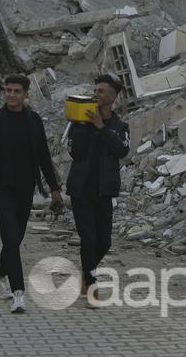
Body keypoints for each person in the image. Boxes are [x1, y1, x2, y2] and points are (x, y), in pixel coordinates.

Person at [0, 74, 63, 314]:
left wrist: (54, 188)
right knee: (11, 238)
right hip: (1, 188)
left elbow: (43, 156)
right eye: (7, 91)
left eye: (16, 91)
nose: (11, 95)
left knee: (15, 238)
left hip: (25, 188)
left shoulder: (33, 121)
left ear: (25, 94)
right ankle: (19, 294)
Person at [66, 74, 130, 307]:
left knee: (104, 241)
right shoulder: (79, 121)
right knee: (88, 238)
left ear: (112, 97)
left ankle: (85, 273)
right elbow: (75, 152)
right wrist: (85, 125)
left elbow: (122, 150)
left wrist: (101, 128)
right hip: (81, 189)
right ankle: (91, 285)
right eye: (95, 90)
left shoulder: (119, 126)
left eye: (102, 91)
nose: (96, 95)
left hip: (104, 191)